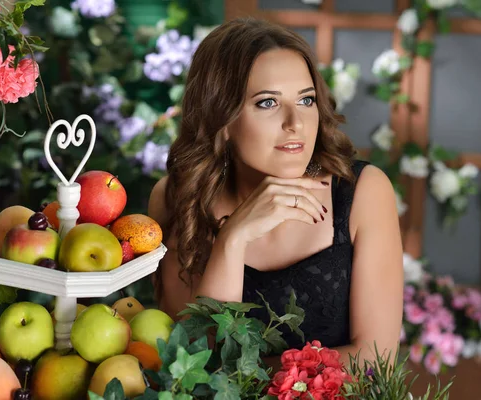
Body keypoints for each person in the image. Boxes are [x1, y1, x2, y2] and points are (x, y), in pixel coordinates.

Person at [148, 17, 404, 367]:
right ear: (223, 122)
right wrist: (232, 241)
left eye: (306, 100)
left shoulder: (364, 193)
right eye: (268, 103)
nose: (295, 123)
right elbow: (191, 364)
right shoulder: (178, 198)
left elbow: (376, 359)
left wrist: (255, 378)